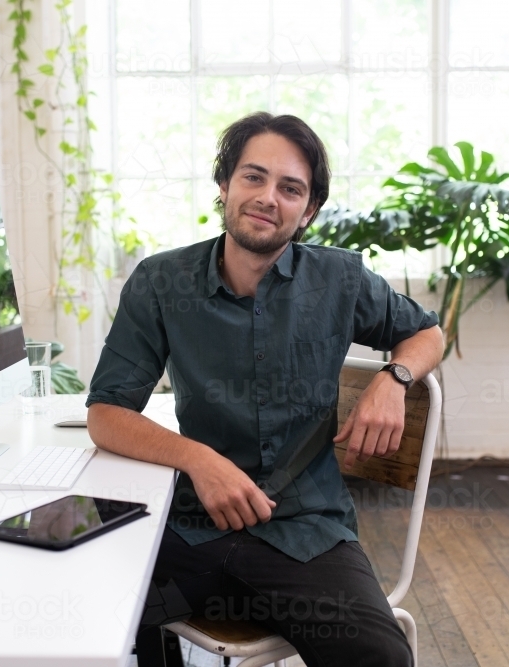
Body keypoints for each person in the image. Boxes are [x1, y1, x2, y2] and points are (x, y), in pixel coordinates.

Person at [86, 111, 444, 667]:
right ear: (225, 185)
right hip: (189, 525)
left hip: (305, 532)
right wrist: (199, 461)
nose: (267, 197)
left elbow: (428, 332)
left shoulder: (340, 279)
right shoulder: (161, 282)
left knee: (380, 658)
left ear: (309, 211)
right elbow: (106, 413)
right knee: (88, 621)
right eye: (253, 177)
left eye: (290, 188)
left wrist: (394, 378)